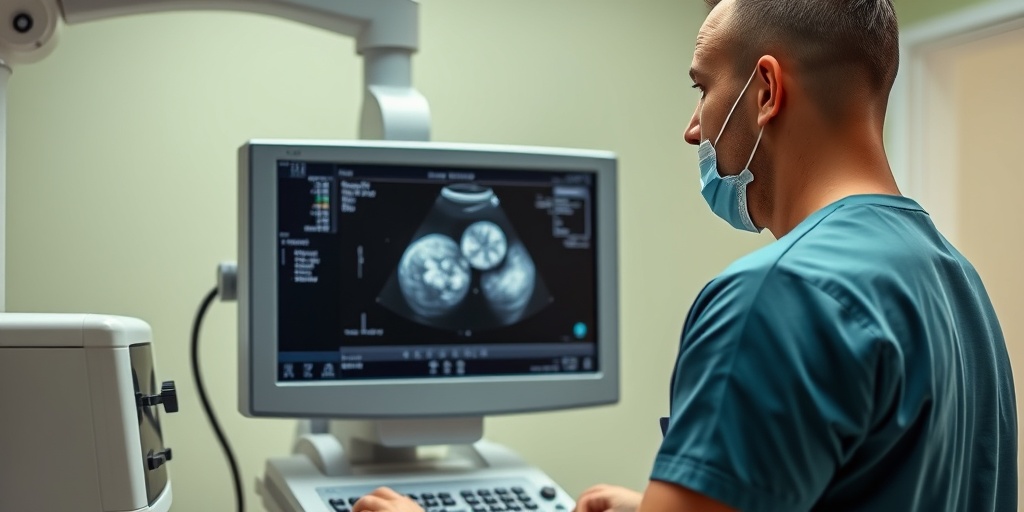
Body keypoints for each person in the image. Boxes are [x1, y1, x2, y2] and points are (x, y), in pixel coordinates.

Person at [353, 0, 1017, 511]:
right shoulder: (956, 282)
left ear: (765, 91)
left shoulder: (779, 294)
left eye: (702, 88)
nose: (694, 128)